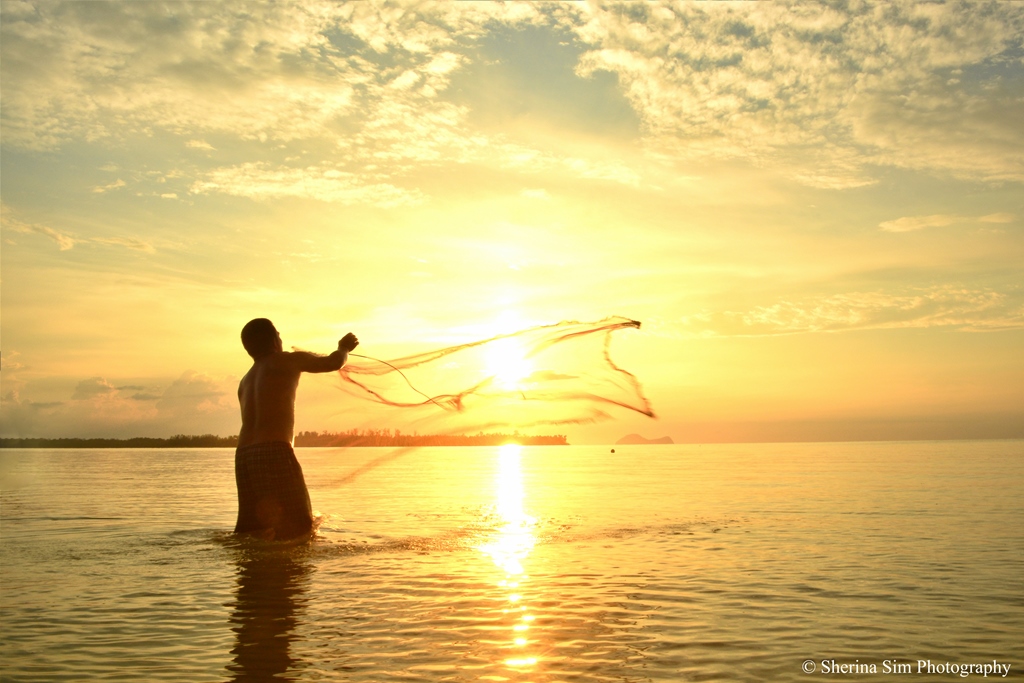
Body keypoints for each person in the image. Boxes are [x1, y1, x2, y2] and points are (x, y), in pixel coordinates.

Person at [234, 318, 359, 540]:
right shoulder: (284, 361)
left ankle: (254, 572)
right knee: (301, 527)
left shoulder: (246, 380)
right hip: (274, 451)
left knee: (252, 531)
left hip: (244, 456)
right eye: (279, 335)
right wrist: (344, 347)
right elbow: (333, 362)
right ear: (274, 340)